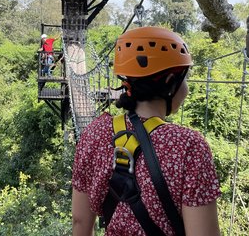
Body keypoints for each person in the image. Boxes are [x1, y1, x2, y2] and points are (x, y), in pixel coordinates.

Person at [71, 26, 221, 236]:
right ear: (170, 82)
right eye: (184, 78)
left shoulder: (94, 133)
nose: (186, 88)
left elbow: (79, 222)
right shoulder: (189, 146)